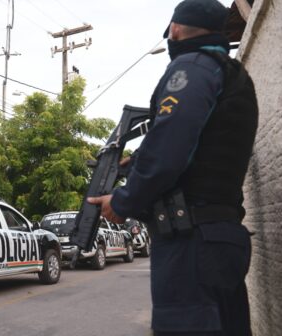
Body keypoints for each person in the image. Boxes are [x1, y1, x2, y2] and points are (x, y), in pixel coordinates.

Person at [87, 0, 258, 335]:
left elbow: (170, 146)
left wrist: (123, 201)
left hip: (191, 242)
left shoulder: (192, 67)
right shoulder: (230, 72)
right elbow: (200, 142)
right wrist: (134, 162)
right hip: (217, 237)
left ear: (175, 30)